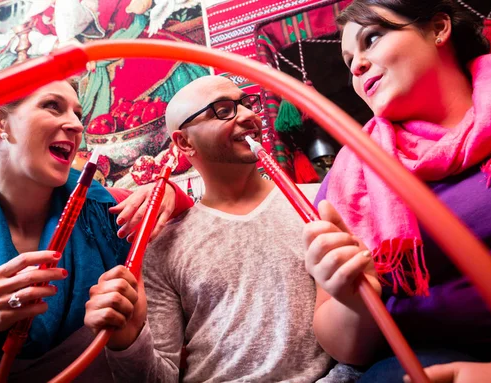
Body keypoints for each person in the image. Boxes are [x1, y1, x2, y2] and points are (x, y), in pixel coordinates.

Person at [303, 1, 491, 382]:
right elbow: (347, 349)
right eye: (349, 61)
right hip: (422, 360)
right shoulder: (351, 175)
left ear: (439, 29)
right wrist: (354, 299)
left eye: (371, 39)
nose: (356, 67)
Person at [83, 75, 359, 382]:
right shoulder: (164, 244)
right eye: (223, 110)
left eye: (246, 103)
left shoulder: (318, 203)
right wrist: (128, 341)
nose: (249, 115)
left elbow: (358, 328)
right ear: (184, 142)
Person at [0, 79, 193, 382]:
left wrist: (170, 191)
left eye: (77, 115)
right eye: (52, 106)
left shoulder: (108, 210)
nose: (76, 126)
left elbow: (186, 217)